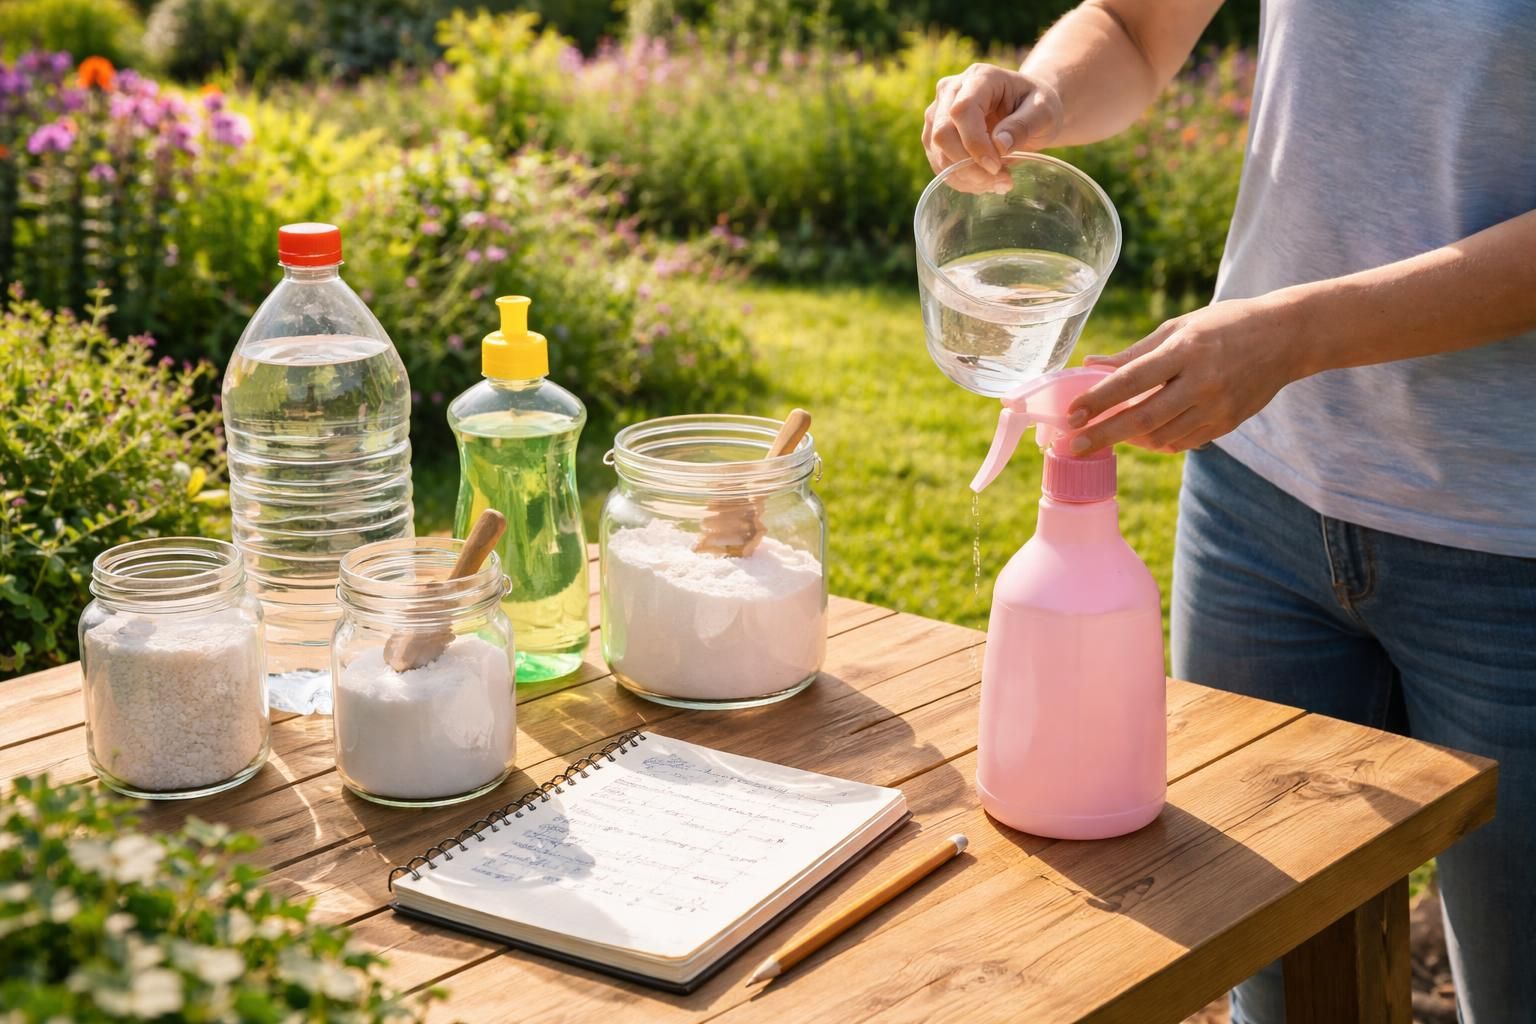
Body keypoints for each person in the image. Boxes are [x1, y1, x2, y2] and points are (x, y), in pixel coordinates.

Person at [922, 2, 1536, 1021]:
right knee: (1280, 982)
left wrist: (1295, 335)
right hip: (1259, 513)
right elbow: (1130, 26)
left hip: (1511, 545)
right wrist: (1042, 96)